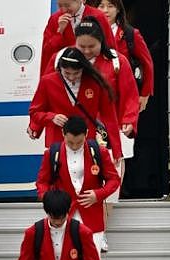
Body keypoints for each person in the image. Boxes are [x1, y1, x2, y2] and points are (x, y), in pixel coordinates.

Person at [36, 116, 120, 253]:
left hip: (92, 215)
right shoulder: (52, 153)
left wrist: (98, 194)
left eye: (79, 142)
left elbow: (114, 180)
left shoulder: (99, 152)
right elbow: (42, 182)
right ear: (63, 134)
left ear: (86, 134)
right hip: (63, 216)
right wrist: (50, 202)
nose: (74, 146)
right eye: (70, 142)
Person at [28, 47, 122, 162]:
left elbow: (109, 117)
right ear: (59, 68)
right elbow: (34, 112)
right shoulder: (47, 82)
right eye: (67, 73)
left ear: (83, 68)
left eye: (76, 73)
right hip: (57, 143)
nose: (72, 77)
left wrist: (117, 151)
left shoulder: (95, 82)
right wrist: (51, 117)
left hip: (88, 142)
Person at [73, 17, 140, 165]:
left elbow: (130, 94)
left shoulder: (117, 61)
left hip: (109, 131)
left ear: (102, 41)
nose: (86, 51)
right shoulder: (67, 61)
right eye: (81, 46)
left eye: (91, 46)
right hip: (75, 132)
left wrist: (129, 120)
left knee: (112, 180)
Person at [98, 0, 154, 112]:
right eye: (101, 6)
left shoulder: (130, 34)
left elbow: (147, 64)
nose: (105, 10)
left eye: (110, 6)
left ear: (118, 9)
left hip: (124, 93)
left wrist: (145, 94)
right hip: (96, 92)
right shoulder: (89, 31)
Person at [41, 0, 115, 73]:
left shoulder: (98, 16)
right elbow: (47, 52)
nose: (63, 9)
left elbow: (110, 47)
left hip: (93, 70)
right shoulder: (55, 19)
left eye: (67, 5)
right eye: (60, 6)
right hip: (66, 72)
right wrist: (59, 32)